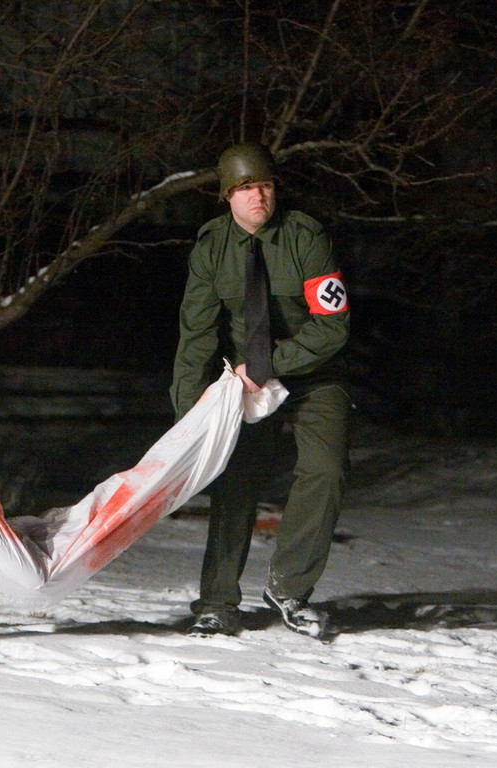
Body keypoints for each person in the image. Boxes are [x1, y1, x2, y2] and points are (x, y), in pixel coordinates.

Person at [170, 142, 351, 639]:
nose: (259, 196)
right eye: (247, 188)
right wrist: (189, 414)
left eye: (266, 185)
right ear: (228, 195)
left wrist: (270, 363)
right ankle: (217, 602)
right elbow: (196, 336)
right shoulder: (211, 248)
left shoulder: (306, 238)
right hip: (245, 382)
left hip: (314, 371)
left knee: (326, 469)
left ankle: (290, 588)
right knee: (236, 480)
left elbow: (332, 327)